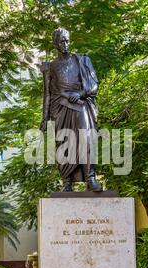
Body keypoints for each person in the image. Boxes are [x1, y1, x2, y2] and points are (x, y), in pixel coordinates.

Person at [40, 28, 102, 192]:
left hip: (80, 104)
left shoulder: (81, 60)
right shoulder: (50, 66)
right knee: (64, 143)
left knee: (86, 138)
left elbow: (94, 85)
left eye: (67, 40)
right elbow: (47, 93)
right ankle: (66, 181)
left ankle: (90, 178)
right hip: (60, 106)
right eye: (61, 41)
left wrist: (80, 93)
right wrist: (44, 119)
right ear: (55, 44)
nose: (65, 44)